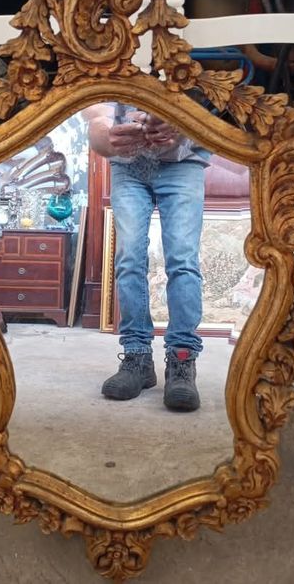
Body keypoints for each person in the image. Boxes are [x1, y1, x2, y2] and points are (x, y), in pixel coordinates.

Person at [84, 102, 211, 412]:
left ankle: (182, 359)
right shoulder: (112, 70)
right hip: (127, 165)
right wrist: (108, 136)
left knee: (182, 260)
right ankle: (137, 357)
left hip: (184, 161)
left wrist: (181, 122)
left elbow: (216, 112)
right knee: (129, 259)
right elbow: (96, 115)